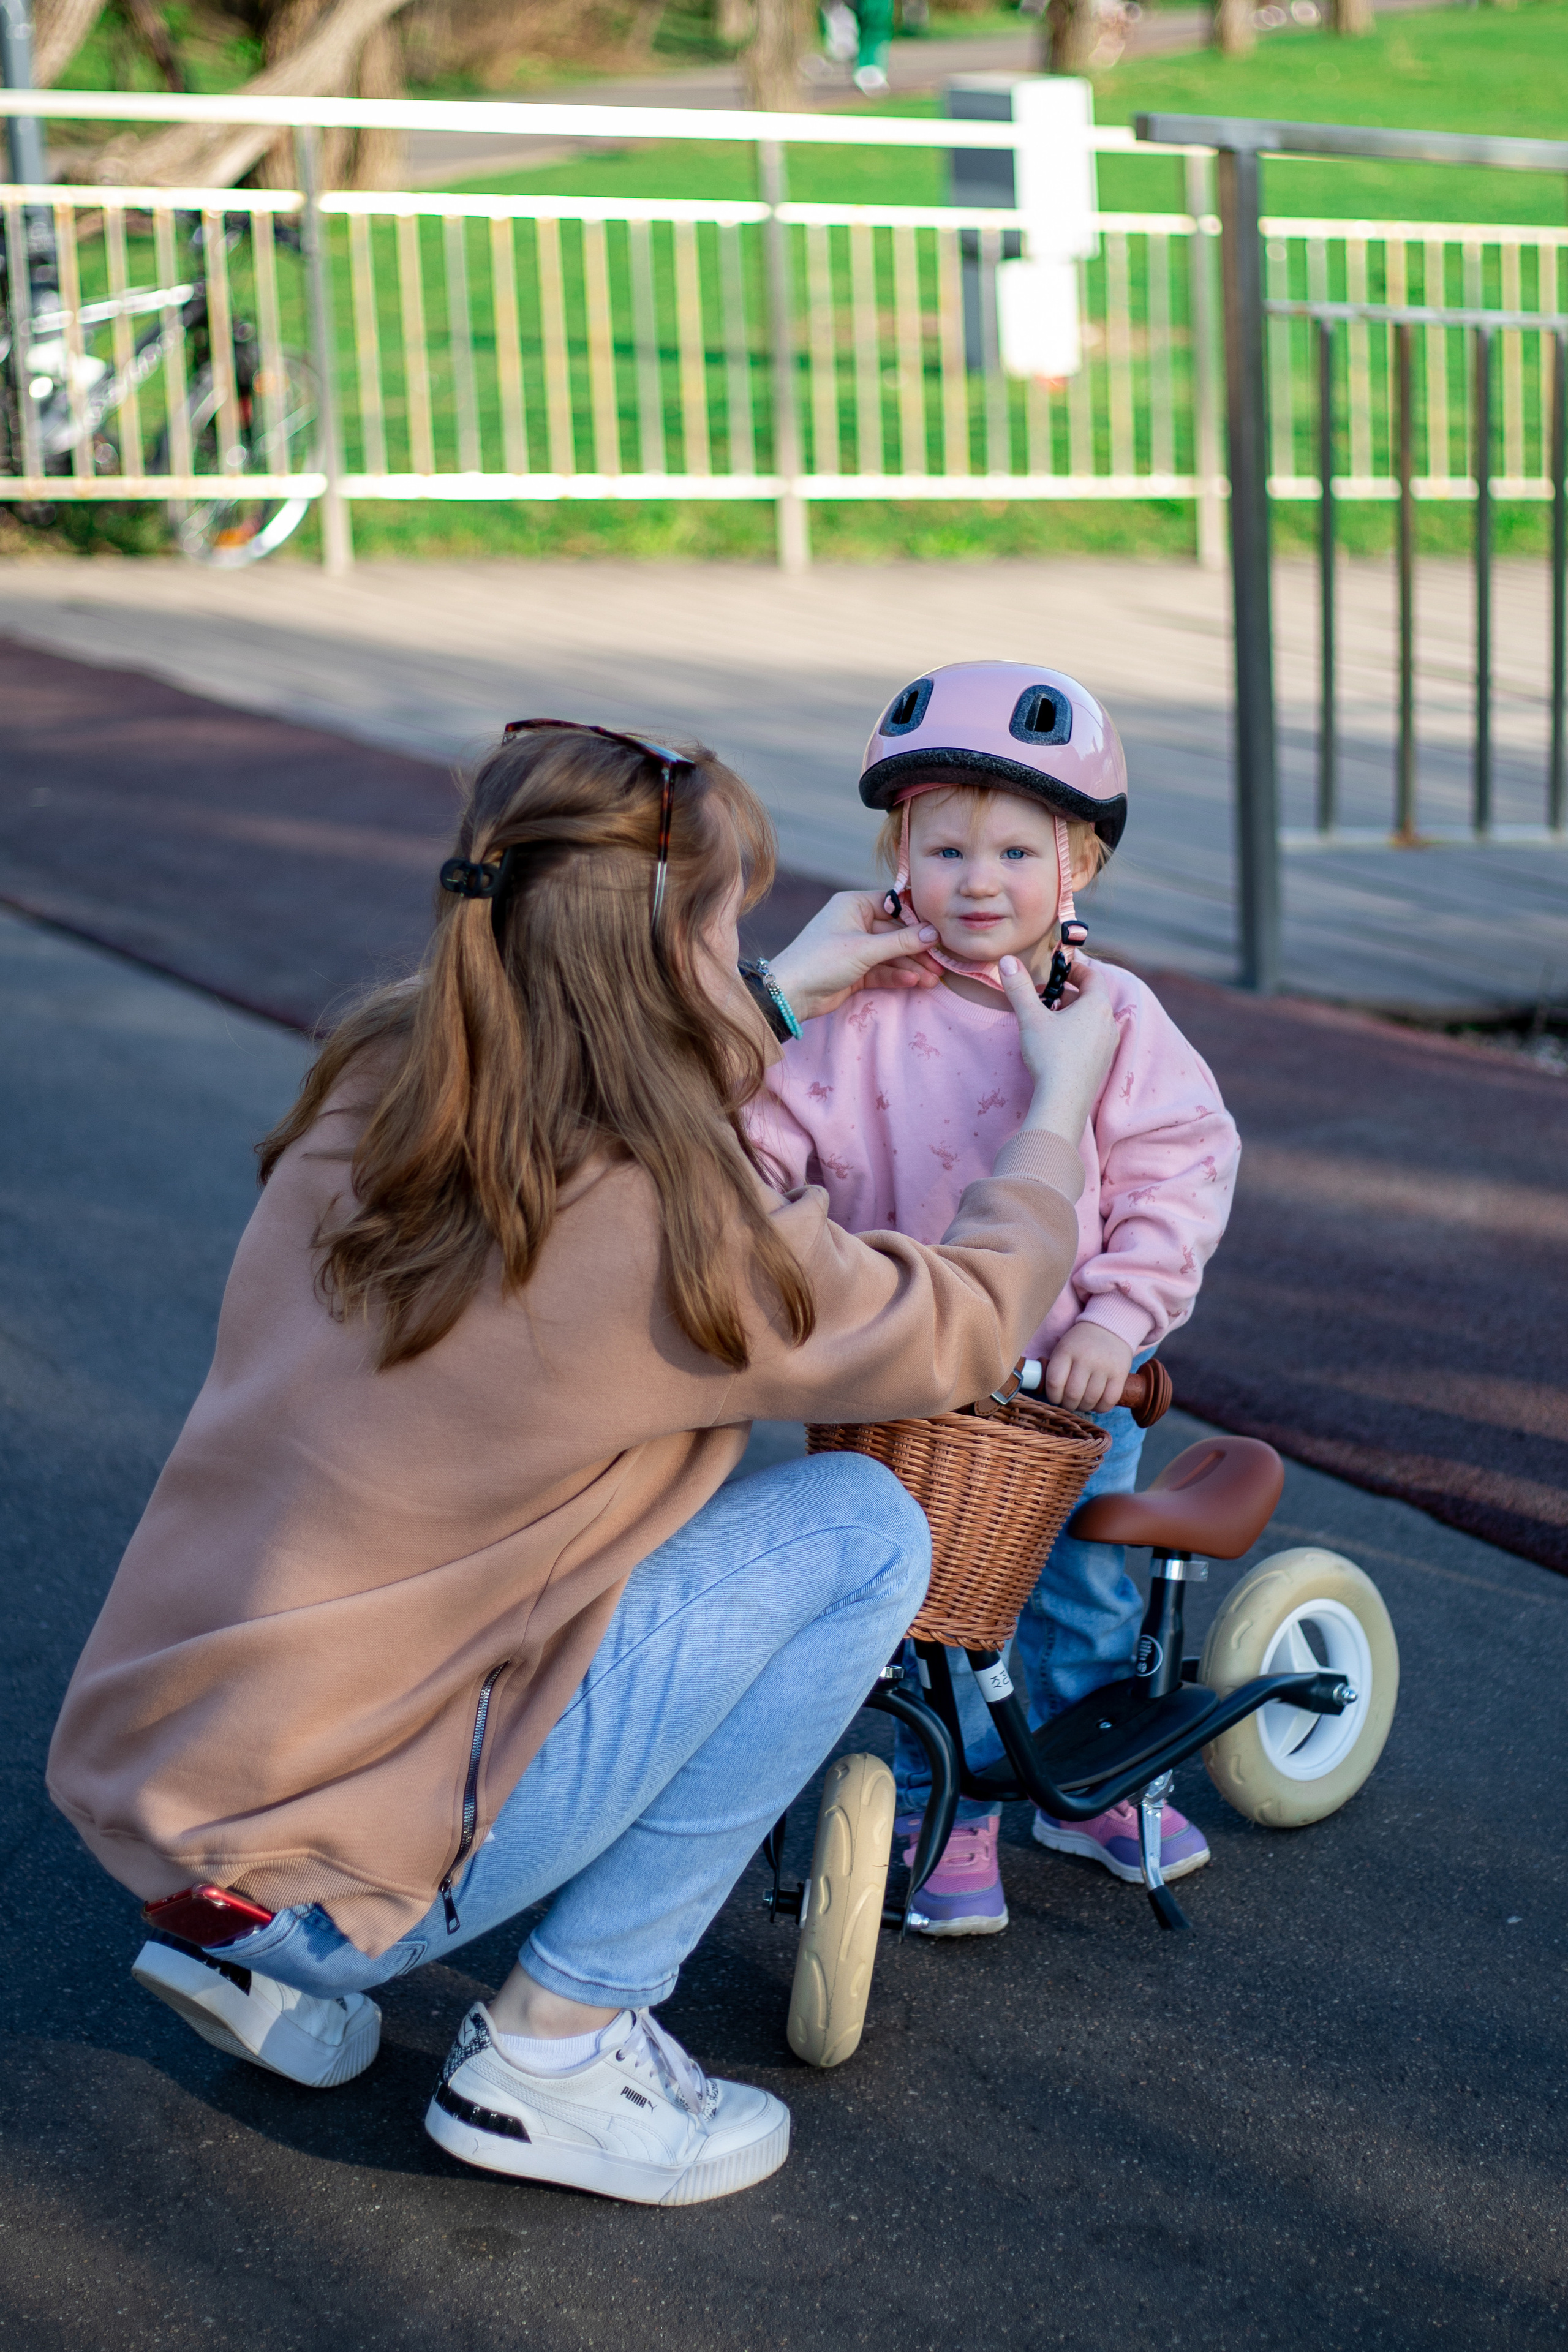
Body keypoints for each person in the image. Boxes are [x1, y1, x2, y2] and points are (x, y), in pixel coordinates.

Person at [47, 718, 1117, 2209]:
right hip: (330, 1866)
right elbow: (961, 1326)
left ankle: (253, 1962)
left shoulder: (384, 1077)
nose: (740, 952)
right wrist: (1059, 1105)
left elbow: (598, 1071)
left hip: (167, 1798)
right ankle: (560, 2050)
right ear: (665, 951)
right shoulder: (669, 1223)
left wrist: (777, 996)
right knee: (862, 1528)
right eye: (726, 927)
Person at [746, 662, 1240, 1936]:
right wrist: (768, 1260)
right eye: (945, 849)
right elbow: (762, 1146)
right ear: (895, 862)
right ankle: (942, 1807)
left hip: (1064, 1384)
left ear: (1078, 866)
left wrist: (1116, 1320)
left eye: (1017, 852)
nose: (978, 881)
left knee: (1083, 1593)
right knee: (927, 1615)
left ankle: (1082, 1789)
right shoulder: (857, 1012)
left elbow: (1179, 1171)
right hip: (905, 1373)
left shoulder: (1111, 1015)